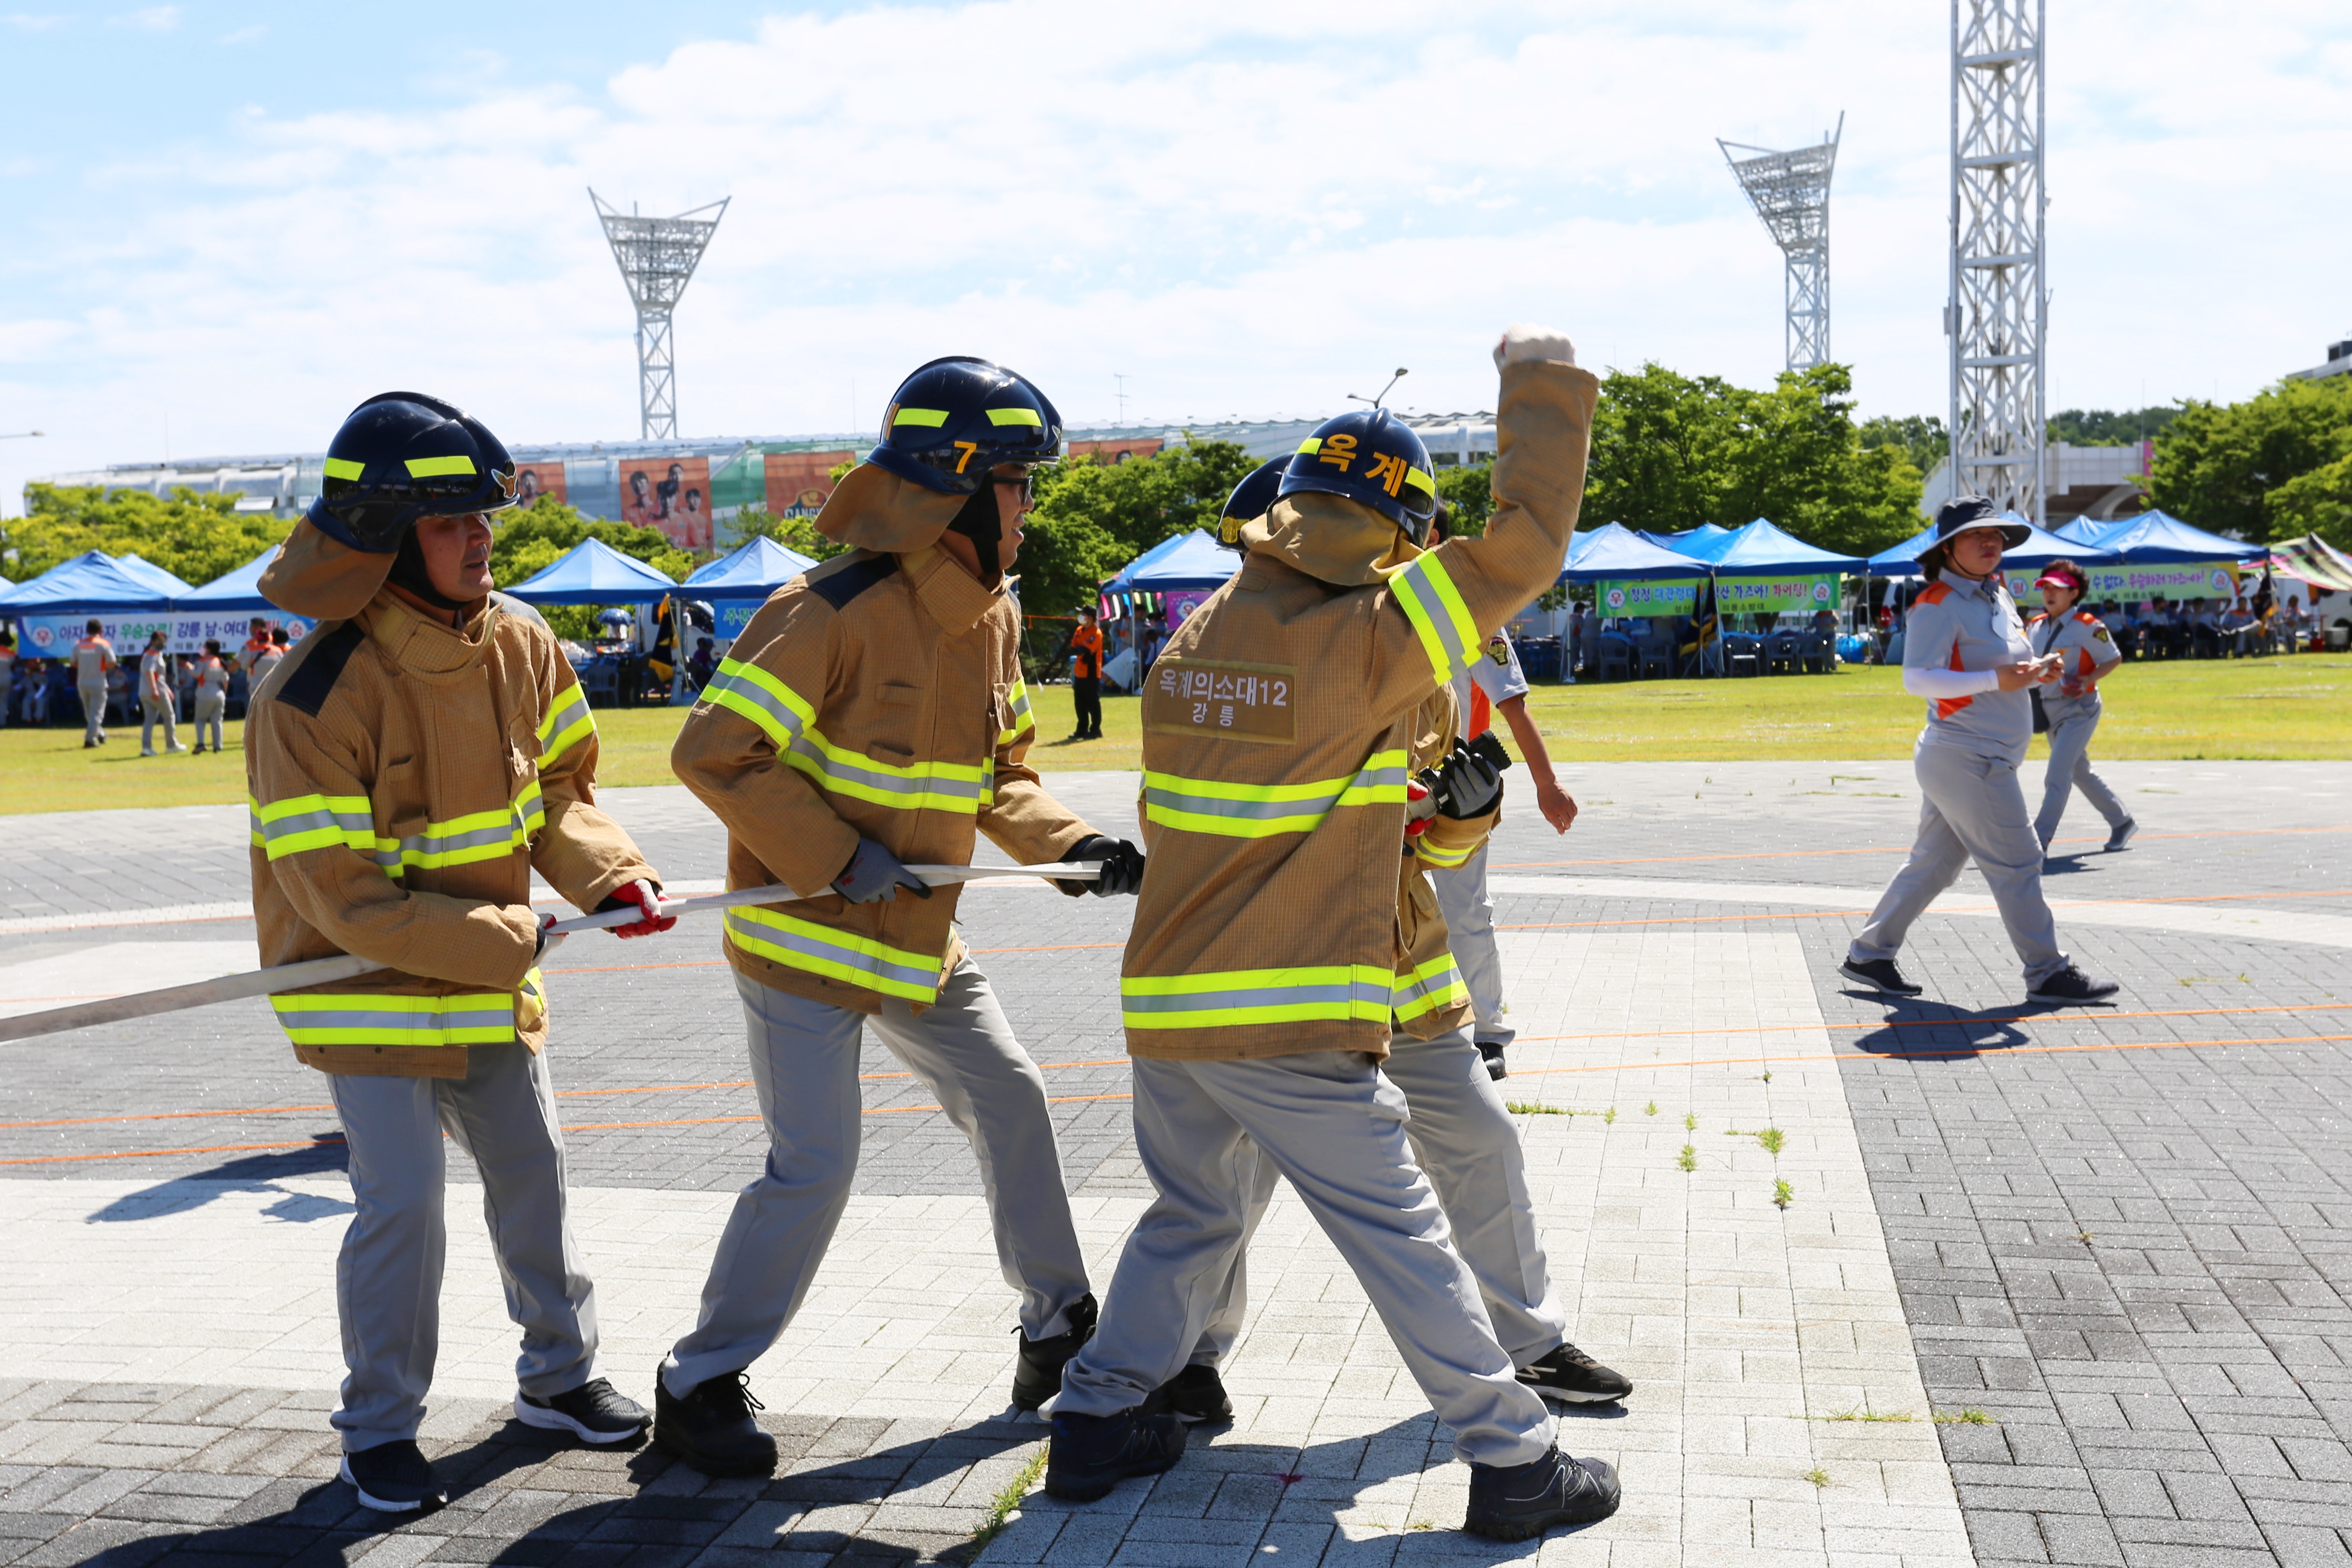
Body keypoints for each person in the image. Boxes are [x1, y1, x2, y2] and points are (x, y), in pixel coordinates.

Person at [1051, 326, 1620, 1543]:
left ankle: (1094, 1418)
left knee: (1190, 1217)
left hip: (1171, 998)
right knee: (1399, 1230)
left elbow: (1314, 810)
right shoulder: (1374, 634)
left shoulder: (1195, 638)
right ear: (1398, 532)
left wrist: (1452, 815)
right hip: (1294, 1007)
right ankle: (1515, 1456)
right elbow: (1526, 545)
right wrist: (1540, 383)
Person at [653, 355, 1146, 1478]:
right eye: (1020, 484)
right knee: (815, 1168)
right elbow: (713, 751)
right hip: (804, 947)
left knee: (1011, 1098)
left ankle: (1056, 1328)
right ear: (958, 491)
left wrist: (1075, 848)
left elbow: (1002, 776)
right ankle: (698, 1383)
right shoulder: (822, 613)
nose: (1030, 507)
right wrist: (837, 856)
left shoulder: (993, 617)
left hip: (922, 944)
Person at [246, 391, 677, 1515]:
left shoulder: (523, 642)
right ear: (387, 539)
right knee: (404, 1210)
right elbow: (342, 896)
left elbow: (564, 794)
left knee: (534, 1175)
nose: (481, 537)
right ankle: (380, 1431)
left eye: (484, 516)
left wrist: (610, 875)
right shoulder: (307, 696)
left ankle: (560, 1380)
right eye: (450, 522)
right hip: (367, 992)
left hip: (489, 977)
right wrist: (505, 936)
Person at [1839, 497, 2120, 1006]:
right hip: (1968, 757)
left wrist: (2037, 671)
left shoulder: (1998, 595)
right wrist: (1998, 679)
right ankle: (2047, 973)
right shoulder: (1937, 603)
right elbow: (1917, 678)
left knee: (1934, 865)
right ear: (1948, 548)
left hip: (1967, 758)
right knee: (2020, 861)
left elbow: (2003, 667)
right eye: (1977, 535)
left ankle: (1869, 954)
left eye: (1997, 536)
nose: (1991, 542)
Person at [1419, 507, 1577, 1081]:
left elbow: (1513, 703)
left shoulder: (1469, 608)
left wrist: (1547, 783)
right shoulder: (1368, 601)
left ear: (1430, 536)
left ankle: (1487, 1032)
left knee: (1466, 912)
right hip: (1382, 790)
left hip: (1455, 793)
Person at [2026, 562, 2133, 853]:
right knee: (2080, 772)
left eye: (2057, 588)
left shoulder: (2089, 626)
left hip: (2079, 709)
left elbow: (2113, 658)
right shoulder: (2035, 625)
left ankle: (2038, 842)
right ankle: (2122, 821)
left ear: (2074, 593)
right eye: (2045, 588)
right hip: (2047, 709)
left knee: (2057, 775)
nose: (2049, 593)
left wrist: (2088, 679)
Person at [1061, 605, 1105, 740]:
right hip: (1079, 671)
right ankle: (1082, 729)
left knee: (1092, 701)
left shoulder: (1097, 633)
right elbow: (1075, 647)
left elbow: (1088, 650)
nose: (1081, 617)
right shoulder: (1079, 630)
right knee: (1080, 702)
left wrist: (1082, 649)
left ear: (1090, 618)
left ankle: (1096, 729)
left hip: (1091, 672)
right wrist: (1082, 649)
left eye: (1084, 615)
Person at [72, 620, 117, 748]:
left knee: (89, 713)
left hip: (82, 682)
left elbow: (73, 663)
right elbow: (112, 662)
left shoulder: (78, 644)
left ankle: (100, 734)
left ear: (87, 631)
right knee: (96, 713)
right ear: (101, 631)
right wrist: (101, 666)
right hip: (98, 682)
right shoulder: (103, 644)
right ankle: (90, 740)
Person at [191, 638, 231, 754]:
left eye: (205, 647)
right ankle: (218, 746)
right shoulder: (221, 662)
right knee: (217, 721)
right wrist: (224, 693)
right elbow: (226, 680)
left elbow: (197, 674)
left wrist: (189, 668)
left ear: (209, 649)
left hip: (204, 692)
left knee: (200, 719)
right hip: (219, 693)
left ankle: (201, 744)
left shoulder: (202, 661)